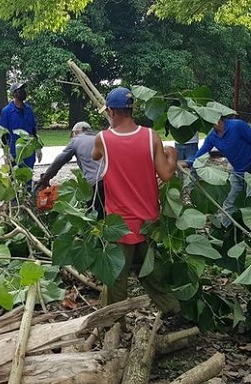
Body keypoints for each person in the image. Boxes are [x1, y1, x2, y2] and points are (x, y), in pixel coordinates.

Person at [91, 86, 180, 315]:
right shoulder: (151, 137)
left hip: (119, 225)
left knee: (116, 279)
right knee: (151, 273)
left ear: (111, 111)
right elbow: (167, 174)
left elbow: (95, 156)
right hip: (149, 220)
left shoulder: (103, 139)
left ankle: (114, 323)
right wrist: (172, 155)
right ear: (132, 109)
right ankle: (173, 310)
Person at [179, 116, 251, 227]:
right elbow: (200, 155)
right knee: (229, 202)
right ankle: (224, 230)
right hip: (237, 172)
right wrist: (182, 163)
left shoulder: (237, 126)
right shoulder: (212, 136)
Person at [36, 121, 105, 219]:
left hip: (96, 182)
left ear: (76, 132)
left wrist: (46, 177)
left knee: (95, 214)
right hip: (112, 179)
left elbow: (59, 161)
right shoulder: (100, 138)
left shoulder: (76, 140)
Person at [0, 83, 40, 168]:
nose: (23, 92)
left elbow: (33, 131)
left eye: (23, 89)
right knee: (15, 179)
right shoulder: (6, 111)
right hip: (14, 152)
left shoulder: (29, 110)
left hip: (28, 151)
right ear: (14, 93)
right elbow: (3, 134)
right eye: (19, 90)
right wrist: (6, 153)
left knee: (27, 177)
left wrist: (37, 148)